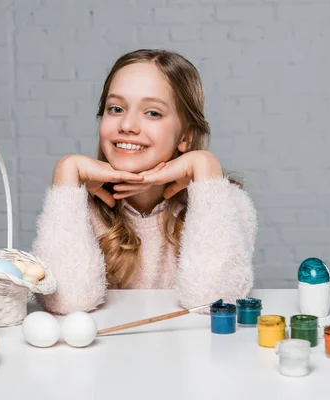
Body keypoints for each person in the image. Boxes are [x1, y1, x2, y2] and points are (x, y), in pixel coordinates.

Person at [31, 49, 258, 315]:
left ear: (185, 137)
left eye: (152, 113)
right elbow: (67, 304)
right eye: (115, 109)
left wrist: (206, 168)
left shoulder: (225, 204)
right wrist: (66, 175)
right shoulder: (76, 207)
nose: (127, 124)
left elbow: (216, 302)